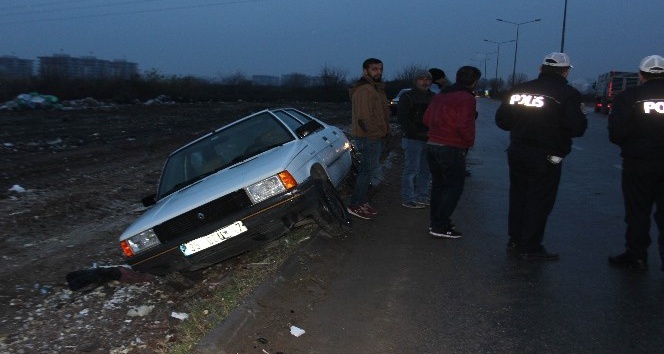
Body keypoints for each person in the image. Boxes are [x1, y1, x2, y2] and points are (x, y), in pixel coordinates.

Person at [495, 52, 587, 260]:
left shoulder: (519, 89)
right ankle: (530, 246)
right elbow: (577, 127)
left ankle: (515, 239)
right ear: (565, 71)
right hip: (548, 155)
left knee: (518, 196)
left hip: (518, 151)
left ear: (541, 68)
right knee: (539, 199)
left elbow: (502, 120)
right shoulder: (567, 93)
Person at [607, 54, 664, 271]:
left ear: (641, 75)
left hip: (638, 164)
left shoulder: (629, 97)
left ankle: (636, 255)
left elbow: (616, 133)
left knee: (638, 211)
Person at [424, 66, 481, 238]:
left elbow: (427, 119)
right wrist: (468, 142)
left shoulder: (441, 95)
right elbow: (464, 125)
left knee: (439, 186)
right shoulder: (466, 98)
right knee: (453, 188)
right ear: (474, 81)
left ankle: (436, 222)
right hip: (451, 147)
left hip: (432, 145)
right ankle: (440, 225)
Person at [347, 58, 391, 220]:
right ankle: (355, 204)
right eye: (374, 69)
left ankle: (362, 201)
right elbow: (363, 119)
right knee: (366, 172)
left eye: (380, 69)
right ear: (365, 71)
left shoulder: (376, 88)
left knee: (368, 171)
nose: (378, 72)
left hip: (375, 136)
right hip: (369, 137)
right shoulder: (365, 90)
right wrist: (375, 134)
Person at [397, 71, 435, 208]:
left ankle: (422, 196)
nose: (425, 82)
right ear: (415, 81)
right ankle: (408, 198)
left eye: (427, 79)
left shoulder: (433, 97)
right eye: (421, 79)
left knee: (426, 170)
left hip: (430, 139)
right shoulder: (407, 97)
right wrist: (415, 131)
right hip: (413, 139)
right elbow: (402, 118)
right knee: (411, 170)